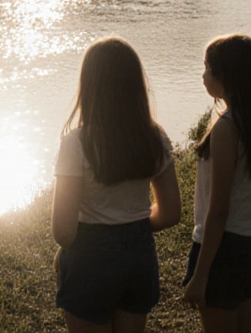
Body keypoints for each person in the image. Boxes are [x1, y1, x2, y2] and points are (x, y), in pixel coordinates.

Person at [53, 37, 182, 332]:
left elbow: (63, 230)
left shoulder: (76, 143)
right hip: (140, 255)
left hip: (90, 257)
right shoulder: (155, 137)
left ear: (89, 85)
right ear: (135, 84)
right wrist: (131, 226)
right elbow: (171, 213)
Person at [182, 35, 251, 332]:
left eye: (207, 67)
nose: (203, 74)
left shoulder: (227, 127)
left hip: (225, 249)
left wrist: (200, 273)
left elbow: (219, 208)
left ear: (225, 76)